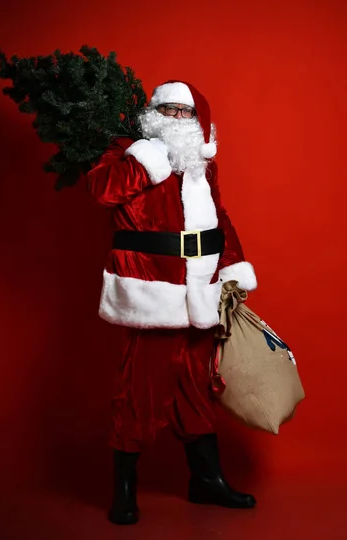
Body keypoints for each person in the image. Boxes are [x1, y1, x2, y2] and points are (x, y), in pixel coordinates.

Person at [86, 80, 258, 525]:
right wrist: (146, 161)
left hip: (200, 293)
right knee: (139, 394)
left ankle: (207, 481)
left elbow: (220, 220)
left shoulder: (202, 167)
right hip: (152, 291)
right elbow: (102, 191)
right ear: (153, 115)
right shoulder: (127, 153)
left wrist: (234, 270)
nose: (178, 119)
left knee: (197, 392)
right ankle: (123, 490)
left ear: (198, 121)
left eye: (186, 112)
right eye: (169, 110)